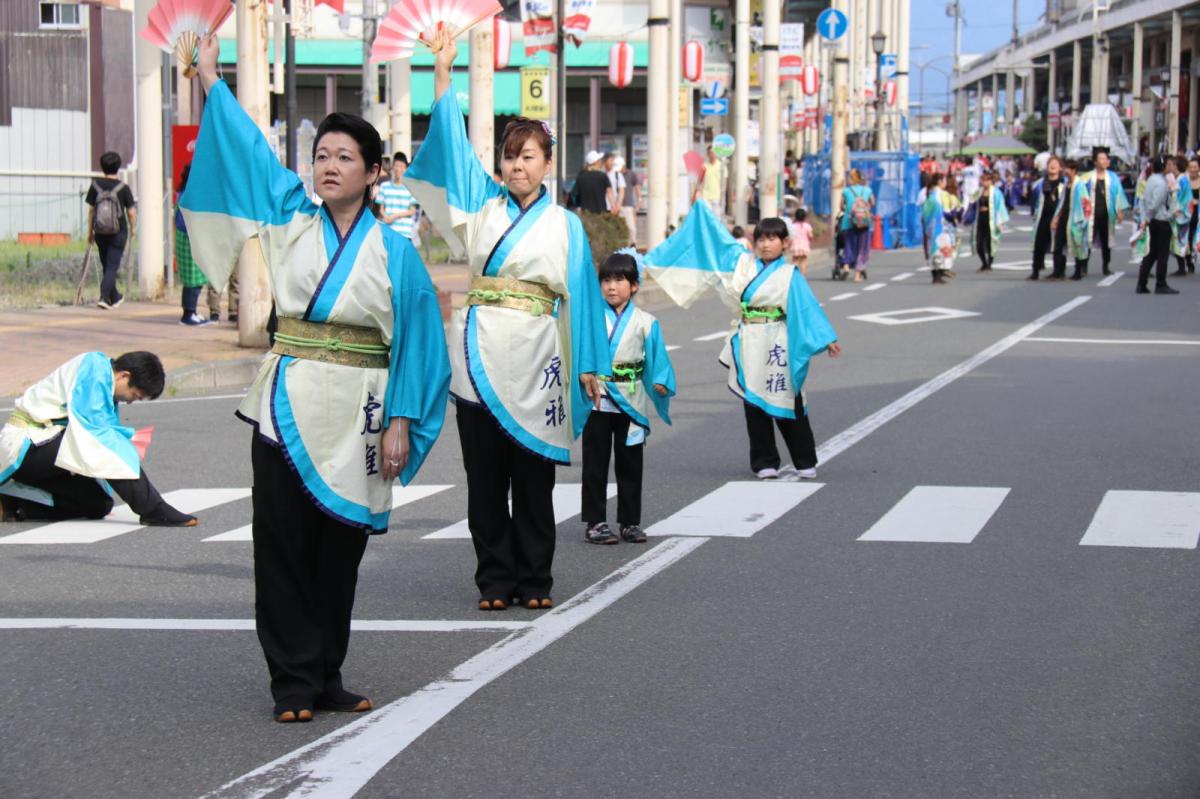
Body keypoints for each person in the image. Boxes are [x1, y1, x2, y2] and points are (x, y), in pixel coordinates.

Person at [183, 35, 450, 723]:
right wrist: (211, 79)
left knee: (340, 550)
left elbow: (420, 343)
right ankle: (292, 682)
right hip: (285, 403)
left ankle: (327, 672)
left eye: (343, 157)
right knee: (280, 546)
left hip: (361, 410)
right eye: (321, 156)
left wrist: (400, 418)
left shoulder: (397, 253)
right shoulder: (287, 219)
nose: (328, 166)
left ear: (372, 172)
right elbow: (244, 150)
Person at [405, 27, 609, 612]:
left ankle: (535, 580)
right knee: (486, 481)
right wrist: (444, 72)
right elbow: (448, 145)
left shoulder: (565, 224)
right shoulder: (479, 204)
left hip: (538, 359)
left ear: (547, 164)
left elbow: (584, 298)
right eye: (509, 155)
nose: (515, 166)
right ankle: (494, 580)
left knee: (535, 480)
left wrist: (591, 363)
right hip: (478, 353)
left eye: (527, 157)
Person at [644, 207, 841, 481]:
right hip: (750, 339)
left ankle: (804, 459)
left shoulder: (789, 275)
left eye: (772, 239)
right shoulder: (743, 265)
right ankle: (764, 461)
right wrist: (702, 213)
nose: (765, 244)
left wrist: (826, 337)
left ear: (785, 243)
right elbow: (718, 245)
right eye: (760, 239)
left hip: (778, 342)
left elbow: (805, 308)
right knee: (754, 402)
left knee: (788, 397)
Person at [0, 351, 196, 526]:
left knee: (97, 505)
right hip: (26, 446)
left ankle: (14, 503)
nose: (130, 401)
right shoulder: (94, 369)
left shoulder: (105, 381)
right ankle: (153, 510)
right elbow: (97, 433)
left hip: (49, 445)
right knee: (106, 447)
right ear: (124, 375)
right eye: (134, 395)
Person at [581, 251, 675, 545]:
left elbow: (657, 360)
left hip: (631, 402)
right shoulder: (591, 319)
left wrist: (660, 381)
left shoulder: (647, 322)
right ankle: (595, 522)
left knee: (630, 464)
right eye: (606, 280)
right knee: (594, 463)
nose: (611, 287)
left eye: (619, 279)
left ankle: (630, 522)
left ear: (634, 285)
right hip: (597, 399)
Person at [85, 151, 137, 310]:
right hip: (118, 231)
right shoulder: (124, 188)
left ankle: (115, 297)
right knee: (112, 266)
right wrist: (133, 228)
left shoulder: (95, 186)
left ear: (102, 167)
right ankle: (104, 297)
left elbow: (91, 211)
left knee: (108, 265)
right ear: (118, 167)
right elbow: (131, 212)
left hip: (100, 231)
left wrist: (90, 232)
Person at [1080, 147, 1129, 276]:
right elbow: (1081, 194)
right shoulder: (1087, 177)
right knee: (1087, 239)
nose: (1104, 161)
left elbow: (1119, 194)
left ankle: (1106, 266)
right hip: (1091, 214)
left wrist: (1120, 210)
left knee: (1107, 241)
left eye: (1105, 158)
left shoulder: (1113, 177)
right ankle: (1084, 265)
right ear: (1095, 161)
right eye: (1100, 158)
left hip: (1107, 214)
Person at [1134, 155, 1180, 295]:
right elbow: (1155, 204)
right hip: (1160, 221)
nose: (1172, 167)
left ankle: (1142, 284)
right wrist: (1149, 217)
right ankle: (1160, 283)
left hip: (1154, 221)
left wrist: (1147, 218)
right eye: (1170, 164)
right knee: (1162, 255)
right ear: (1164, 166)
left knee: (1152, 253)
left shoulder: (1152, 179)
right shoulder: (1161, 183)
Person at [173, 165, 209, 326]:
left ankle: (191, 311)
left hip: (184, 238)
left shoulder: (181, 193)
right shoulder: (192, 196)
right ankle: (188, 314)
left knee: (192, 279)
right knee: (194, 280)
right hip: (190, 239)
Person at [1029, 156, 1067, 281]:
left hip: (1059, 217)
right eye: (1051, 163)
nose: (1053, 165)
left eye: (1056, 163)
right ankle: (1035, 271)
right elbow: (1033, 200)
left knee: (1058, 245)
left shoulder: (1064, 183)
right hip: (1043, 216)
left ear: (1060, 167)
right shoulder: (1040, 183)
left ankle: (1059, 271)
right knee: (1039, 243)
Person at [375, 151, 420, 248]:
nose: (398, 169)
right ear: (392, 167)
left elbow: (412, 210)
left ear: (406, 168)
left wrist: (395, 216)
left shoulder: (410, 188)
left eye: (401, 166)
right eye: (396, 165)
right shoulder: (384, 186)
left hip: (405, 234)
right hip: (388, 232)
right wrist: (385, 216)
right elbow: (380, 208)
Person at [922, 172, 961, 285]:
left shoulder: (929, 194)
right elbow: (952, 209)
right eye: (944, 181)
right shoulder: (943, 195)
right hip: (941, 227)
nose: (945, 183)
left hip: (930, 226)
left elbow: (924, 211)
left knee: (933, 250)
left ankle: (935, 276)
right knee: (941, 251)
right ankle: (939, 275)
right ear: (940, 181)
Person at [838, 169, 874, 283]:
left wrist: (849, 209)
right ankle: (857, 275)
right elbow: (872, 203)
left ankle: (846, 266)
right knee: (862, 249)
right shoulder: (867, 190)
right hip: (864, 223)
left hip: (849, 223)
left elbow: (841, 206)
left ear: (852, 179)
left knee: (849, 246)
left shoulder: (846, 191)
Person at [969, 170, 1008, 272]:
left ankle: (989, 264)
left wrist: (1000, 222)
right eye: (983, 180)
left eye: (987, 180)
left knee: (991, 243)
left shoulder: (996, 192)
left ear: (991, 181)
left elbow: (1000, 207)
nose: (985, 182)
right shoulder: (979, 192)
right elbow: (971, 204)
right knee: (979, 244)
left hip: (992, 221)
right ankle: (984, 263)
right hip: (980, 220)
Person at [1061, 160, 1093, 281]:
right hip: (1068, 217)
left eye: (1067, 168)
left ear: (1073, 170)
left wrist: (1085, 219)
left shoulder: (1080, 185)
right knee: (1073, 245)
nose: (1065, 171)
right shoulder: (1066, 184)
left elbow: (1086, 203)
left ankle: (1078, 271)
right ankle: (1074, 270)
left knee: (1079, 244)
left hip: (1077, 218)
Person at [1168, 155, 1194, 276]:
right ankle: (1184, 266)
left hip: (1181, 214)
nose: (1171, 167)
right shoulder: (1178, 179)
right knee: (1179, 240)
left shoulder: (1182, 180)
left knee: (1180, 240)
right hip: (1178, 212)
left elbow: (1185, 198)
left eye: (1173, 165)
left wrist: (1178, 209)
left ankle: (1183, 267)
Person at [1178, 156, 1200, 275]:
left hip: (1198, 214)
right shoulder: (1184, 181)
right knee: (1184, 238)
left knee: (1193, 238)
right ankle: (1185, 262)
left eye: (1195, 167)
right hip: (1185, 215)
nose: (1192, 169)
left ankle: (1191, 260)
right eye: (1190, 167)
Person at [573, 150, 614, 214]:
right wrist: (613, 206)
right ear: (596, 162)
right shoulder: (603, 176)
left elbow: (574, 193)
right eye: (599, 160)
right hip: (601, 213)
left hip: (585, 214)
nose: (601, 162)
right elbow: (609, 192)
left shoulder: (581, 177)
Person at [693, 146, 726, 219]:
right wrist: (696, 193)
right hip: (705, 196)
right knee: (706, 218)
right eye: (710, 152)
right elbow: (699, 181)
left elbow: (724, 181)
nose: (712, 154)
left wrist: (723, 194)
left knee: (717, 219)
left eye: (713, 152)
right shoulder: (704, 166)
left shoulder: (721, 166)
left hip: (717, 197)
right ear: (707, 154)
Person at [616, 158, 640, 245]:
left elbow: (637, 187)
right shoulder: (615, 174)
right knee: (618, 228)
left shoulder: (631, 174)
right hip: (615, 206)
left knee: (631, 228)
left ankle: (632, 245)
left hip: (628, 205)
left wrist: (639, 199)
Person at [790, 208, 813, 275]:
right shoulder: (807, 226)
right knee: (803, 260)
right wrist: (809, 239)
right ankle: (802, 275)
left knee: (795, 260)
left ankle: (795, 274)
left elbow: (790, 237)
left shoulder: (792, 226)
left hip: (795, 245)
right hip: (804, 245)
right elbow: (811, 236)